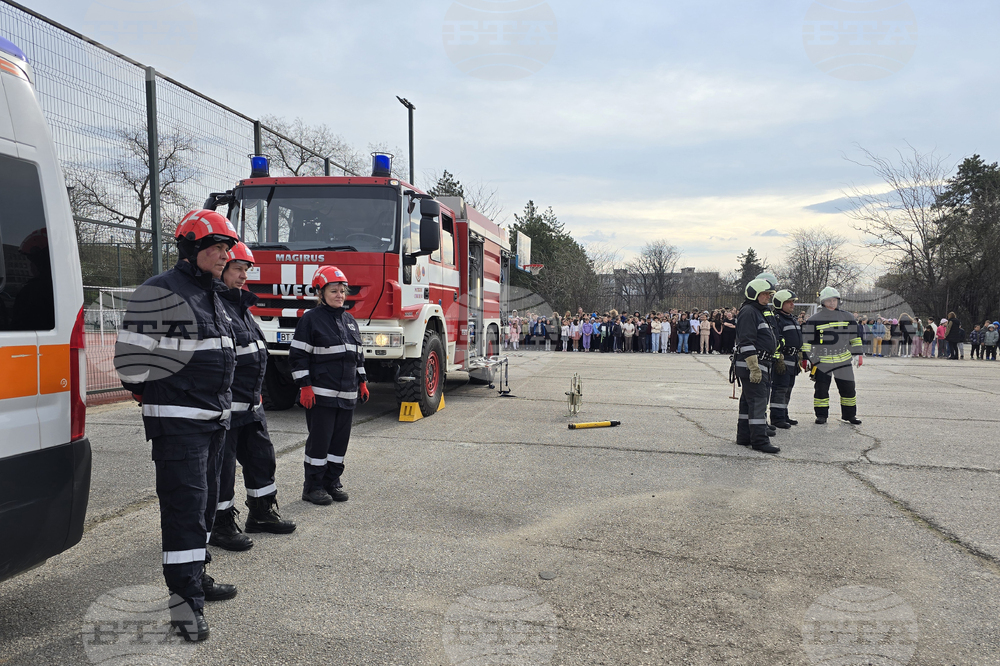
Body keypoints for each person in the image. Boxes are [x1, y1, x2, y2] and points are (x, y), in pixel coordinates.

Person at [115, 209, 240, 642]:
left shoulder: (215, 296)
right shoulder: (161, 291)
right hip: (178, 423)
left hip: (212, 421)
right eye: (218, 248)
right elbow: (131, 362)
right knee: (185, 511)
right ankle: (185, 607)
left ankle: (196, 575)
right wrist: (152, 395)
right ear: (192, 248)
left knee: (205, 509)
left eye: (227, 248)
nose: (226, 255)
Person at [209, 243, 296, 552]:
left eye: (247, 270)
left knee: (262, 460)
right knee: (223, 470)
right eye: (238, 269)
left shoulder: (241, 307)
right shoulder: (216, 305)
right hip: (227, 411)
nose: (244, 276)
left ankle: (261, 513)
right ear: (221, 270)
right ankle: (220, 525)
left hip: (251, 408)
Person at [289, 266, 369, 506]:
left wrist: (363, 381)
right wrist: (305, 386)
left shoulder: (349, 320)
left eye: (342, 291)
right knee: (320, 443)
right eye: (334, 290)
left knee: (339, 444)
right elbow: (298, 356)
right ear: (320, 293)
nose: (340, 295)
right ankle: (312, 487)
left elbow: (358, 355)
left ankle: (332, 482)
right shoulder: (310, 319)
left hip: (346, 395)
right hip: (320, 395)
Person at [801, 287, 863, 425]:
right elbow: (807, 341)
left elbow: (855, 337)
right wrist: (806, 358)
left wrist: (858, 354)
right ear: (823, 302)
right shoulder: (814, 319)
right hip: (822, 360)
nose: (832, 303)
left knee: (848, 388)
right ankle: (821, 415)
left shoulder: (847, 317)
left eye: (834, 300)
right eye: (829, 300)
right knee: (821, 389)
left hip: (843, 358)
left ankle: (849, 415)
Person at [733, 279, 779, 453]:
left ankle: (744, 436)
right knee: (758, 402)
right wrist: (754, 367)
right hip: (753, 364)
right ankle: (760, 441)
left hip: (759, 363)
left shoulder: (757, 311)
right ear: (754, 294)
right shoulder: (749, 312)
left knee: (748, 402)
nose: (768, 297)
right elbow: (746, 341)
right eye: (764, 294)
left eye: (768, 294)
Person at [769, 290, 802, 429]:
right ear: (780, 303)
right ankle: (777, 418)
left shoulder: (792, 318)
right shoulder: (777, 319)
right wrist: (778, 358)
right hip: (782, 360)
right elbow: (775, 339)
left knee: (788, 388)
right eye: (789, 302)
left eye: (793, 301)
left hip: (793, 359)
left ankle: (784, 414)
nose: (792, 304)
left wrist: (802, 356)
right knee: (780, 389)